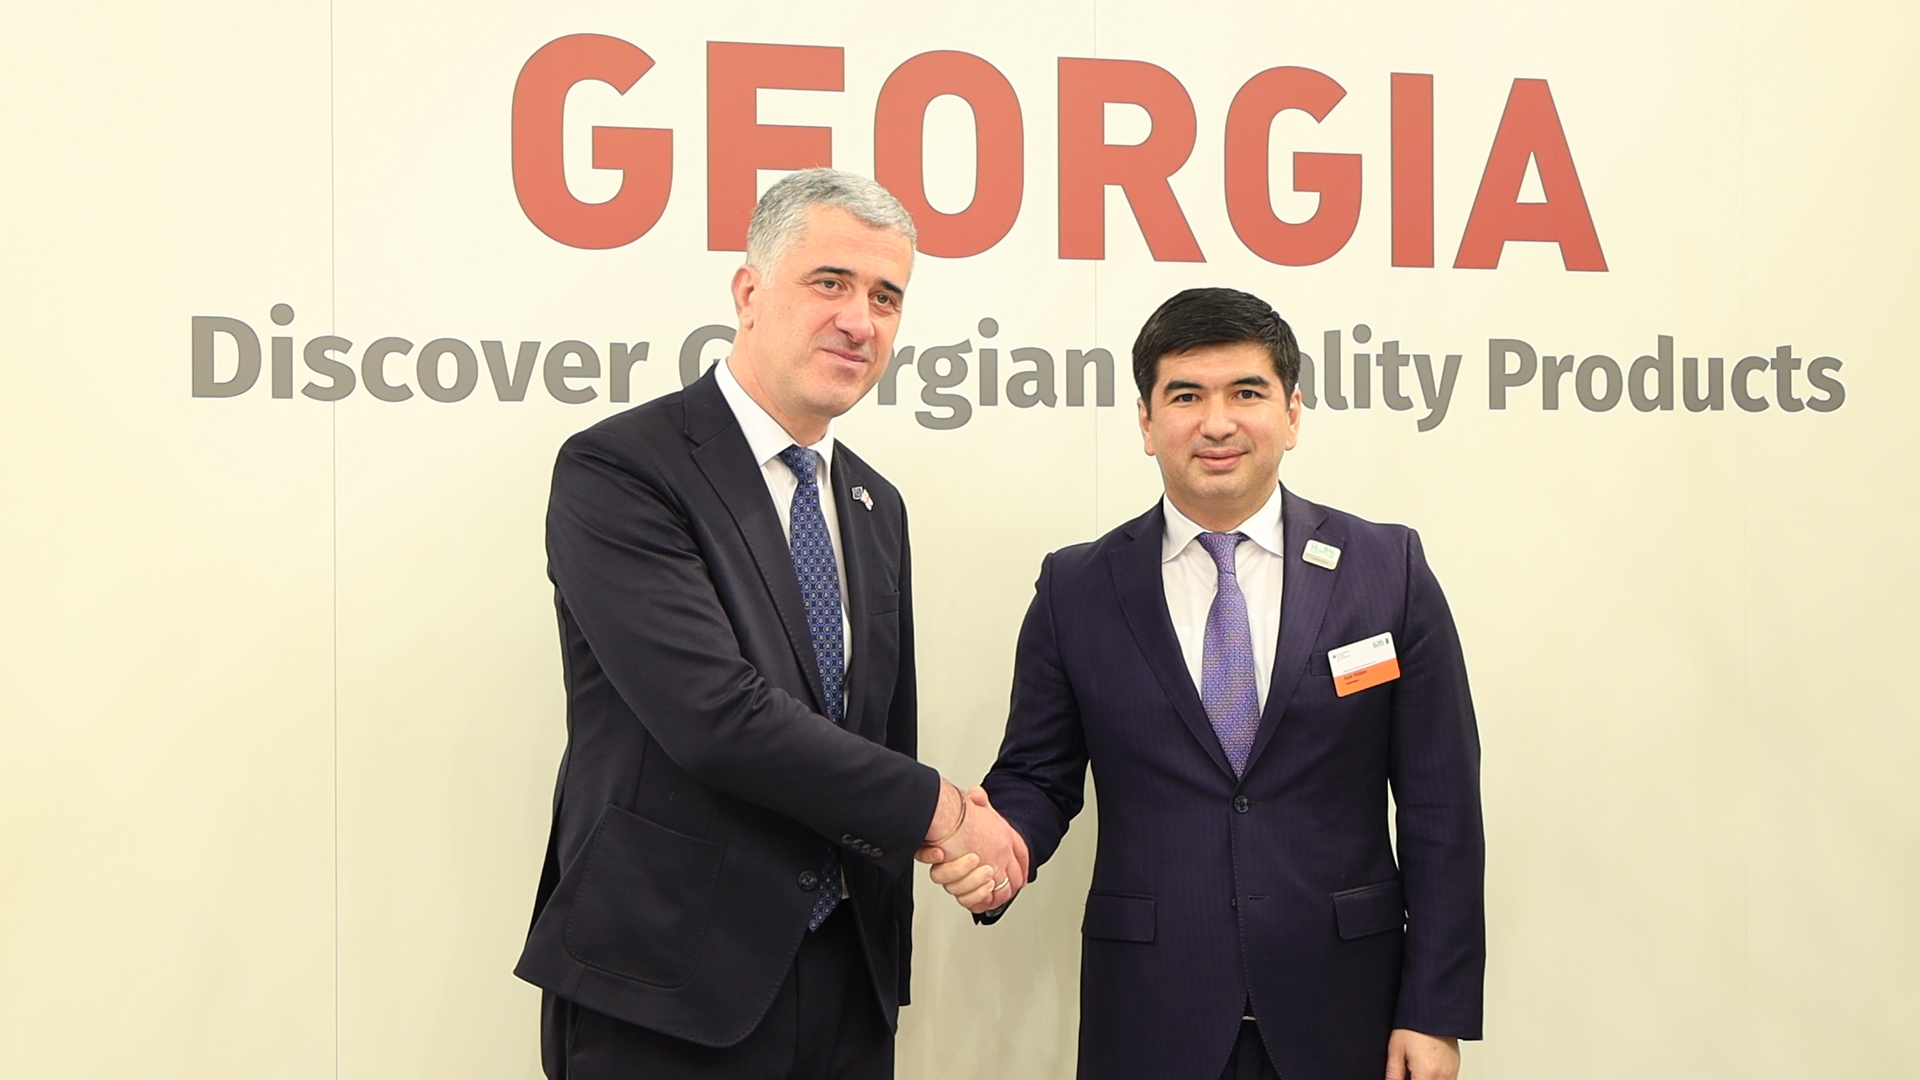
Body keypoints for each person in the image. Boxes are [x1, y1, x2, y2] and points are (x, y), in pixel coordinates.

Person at [514, 168, 1026, 1080]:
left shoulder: (875, 504)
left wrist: (945, 856)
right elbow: (717, 717)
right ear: (749, 291)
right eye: (830, 282)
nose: (860, 320)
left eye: (886, 297)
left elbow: (877, 732)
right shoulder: (622, 469)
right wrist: (944, 812)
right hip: (667, 983)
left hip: (848, 983)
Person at [930, 288, 1484, 1080]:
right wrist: (1001, 852)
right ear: (1147, 422)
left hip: (1348, 1011)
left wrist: (1434, 1010)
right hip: (1151, 1012)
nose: (1217, 423)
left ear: (1292, 414)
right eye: (1186, 396)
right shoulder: (1077, 588)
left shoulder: (1386, 571)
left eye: (1246, 393)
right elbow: (1038, 779)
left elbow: (1441, 808)